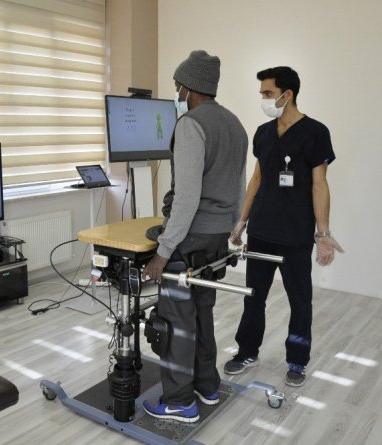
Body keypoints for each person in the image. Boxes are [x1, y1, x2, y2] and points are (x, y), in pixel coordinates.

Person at [141, 50, 248, 423]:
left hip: (189, 238)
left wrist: (163, 251)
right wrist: (236, 227)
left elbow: (186, 197)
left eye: (177, 87)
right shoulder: (234, 124)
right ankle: (207, 386)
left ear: (190, 87)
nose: (176, 93)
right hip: (216, 238)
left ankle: (179, 402)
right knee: (202, 313)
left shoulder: (191, 124)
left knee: (176, 322)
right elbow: (238, 184)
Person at [224, 66, 343, 387]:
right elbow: (257, 179)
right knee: (253, 296)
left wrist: (323, 233)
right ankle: (246, 351)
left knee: (299, 300)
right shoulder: (263, 133)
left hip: (295, 233)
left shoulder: (316, 132)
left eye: (268, 93)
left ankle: (297, 360)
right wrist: (241, 221)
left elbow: (319, 185)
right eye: (262, 93)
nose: (263, 99)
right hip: (261, 230)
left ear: (287, 94)